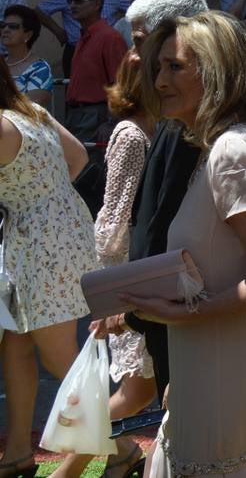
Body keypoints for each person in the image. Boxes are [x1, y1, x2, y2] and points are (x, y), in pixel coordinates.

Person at [125, 12, 246, 478]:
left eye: (175, 67)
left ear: (218, 70)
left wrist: (186, 314)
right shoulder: (217, 146)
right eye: (159, 67)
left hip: (234, 354)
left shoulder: (231, 152)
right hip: (211, 349)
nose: (160, 80)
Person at [103, 0, 209, 402]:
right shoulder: (169, 123)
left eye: (141, 42)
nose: (135, 57)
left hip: (188, 305)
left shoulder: (202, 128)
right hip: (162, 302)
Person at [0, 59, 98, 478]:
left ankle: (125, 448)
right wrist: (46, 198)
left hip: (39, 245)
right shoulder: (29, 109)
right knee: (18, 347)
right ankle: (18, 453)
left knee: (60, 358)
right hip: (59, 233)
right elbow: (77, 158)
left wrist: (28, 205)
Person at [82, 53, 158, 478]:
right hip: (128, 269)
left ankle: (121, 456)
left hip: (142, 268)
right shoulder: (131, 134)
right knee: (135, 389)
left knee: (141, 387)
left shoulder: (156, 127)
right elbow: (113, 216)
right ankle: (67, 469)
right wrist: (112, 291)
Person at [36, 0, 131, 73]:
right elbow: (40, 10)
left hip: (105, 49)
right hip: (75, 49)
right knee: (74, 87)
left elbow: (134, 10)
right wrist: (58, 31)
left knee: (107, 88)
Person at [64, 0, 129, 142]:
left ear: (96, 4)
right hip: (77, 114)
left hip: (96, 115)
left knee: (89, 165)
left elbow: (120, 83)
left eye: (78, 2)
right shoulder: (84, 36)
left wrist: (111, 122)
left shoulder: (109, 38)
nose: (72, 6)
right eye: (70, 1)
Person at [2, 5, 53, 110]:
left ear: (28, 35)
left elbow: (30, 109)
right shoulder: (1, 62)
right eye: (2, 25)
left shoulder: (40, 68)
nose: (5, 29)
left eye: (13, 26)